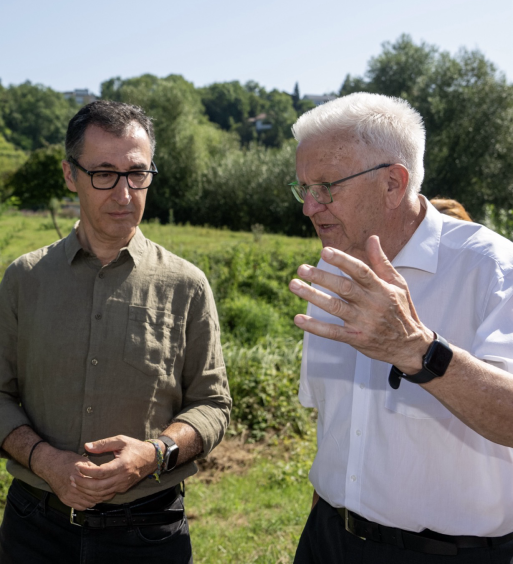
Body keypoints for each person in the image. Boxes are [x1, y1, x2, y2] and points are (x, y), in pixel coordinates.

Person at [0, 100, 231, 564]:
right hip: (34, 533)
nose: (124, 194)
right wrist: (45, 459)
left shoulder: (186, 285)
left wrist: (154, 454)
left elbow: (212, 404)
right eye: (104, 173)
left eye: (137, 173)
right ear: (70, 175)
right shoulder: (23, 279)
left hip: (148, 534)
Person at [287, 92, 513, 563]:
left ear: (393, 183)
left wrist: (419, 350)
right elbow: (335, 432)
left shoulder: (491, 269)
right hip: (328, 538)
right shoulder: (334, 274)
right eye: (304, 188)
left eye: (326, 187)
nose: (310, 207)